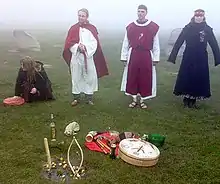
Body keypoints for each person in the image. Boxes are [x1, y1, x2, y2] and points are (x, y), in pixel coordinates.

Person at [167, 9, 220, 108]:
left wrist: (218, 58)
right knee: (187, 77)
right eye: (197, 16)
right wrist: (172, 56)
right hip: (188, 56)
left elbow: (214, 44)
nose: (199, 18)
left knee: (198, 78)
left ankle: (193, 100)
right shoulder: (188, 28)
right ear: (194, 16)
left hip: (201, 57)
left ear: (203, 17)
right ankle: (186, 99)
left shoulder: (207, 29)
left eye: (201, 16)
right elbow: (179, 42)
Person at [62, 8, 108, 106]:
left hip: (88, 57)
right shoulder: (73, 28)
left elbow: (94, 43)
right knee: (76, 76)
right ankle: (76, 97)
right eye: (79, 15)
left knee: (89, 77)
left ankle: (89, 97)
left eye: (83, 16)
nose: (81, 17)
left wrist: (86, 48)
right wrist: (77, 47)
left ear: (87, 17)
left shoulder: (92, 28)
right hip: (76, 56)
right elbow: (68, 43)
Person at [120, 5, 160, 109]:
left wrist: (156, 58)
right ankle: (134, 99)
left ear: (146, 13)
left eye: (142, 11)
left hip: (146, 54)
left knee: (145, 77)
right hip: (133, 54)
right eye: (139, 11)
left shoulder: (152, 27)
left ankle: (142, 99)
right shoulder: (131, 27)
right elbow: (126, 42)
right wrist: (124, 56)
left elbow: (156, 43)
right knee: (133, 76)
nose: (140, 13)